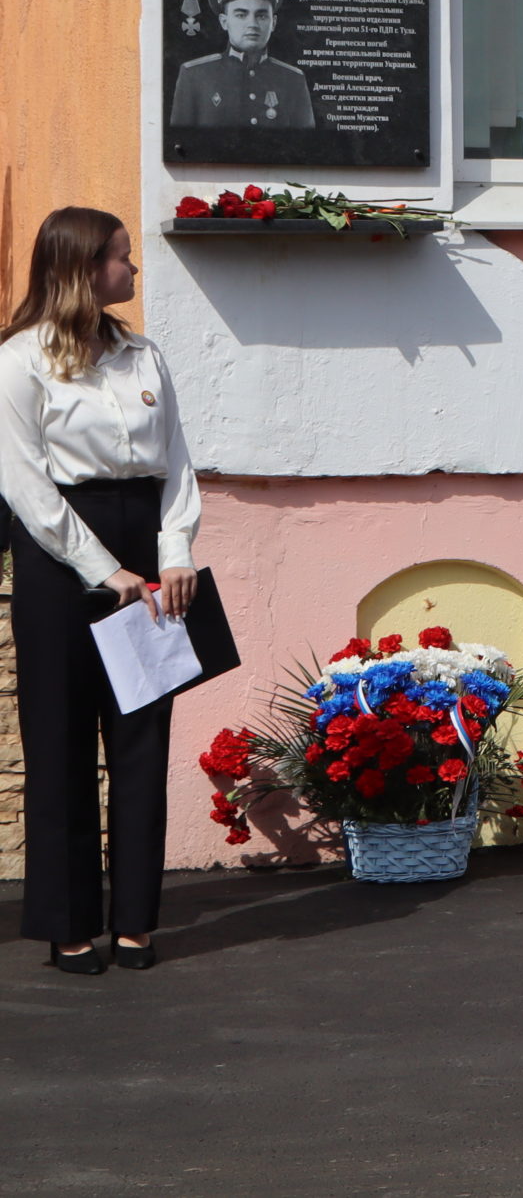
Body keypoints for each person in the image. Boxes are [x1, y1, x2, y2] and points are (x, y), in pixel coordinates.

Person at [0, 208, 202, 973]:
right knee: (59, 738)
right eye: (122, 258)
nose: (133, 270)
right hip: (59, 555)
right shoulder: (19, 360)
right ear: (83, 268)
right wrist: (103, 568)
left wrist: (173, 548)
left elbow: (176, 459)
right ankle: (68, 921)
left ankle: (136, 921)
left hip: (144, 544)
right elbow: (23, 483)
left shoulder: (143, 355)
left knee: (142, 739)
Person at [169, 0, 316, 130]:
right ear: (224, 22)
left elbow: (306, 149)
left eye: (261, 15)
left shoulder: (293, 80)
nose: (252, 24)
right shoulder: (194, 76)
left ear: (273, 23)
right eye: (241, 15)